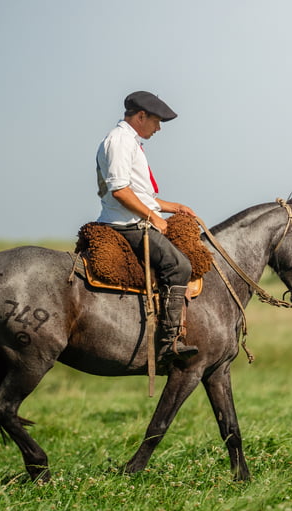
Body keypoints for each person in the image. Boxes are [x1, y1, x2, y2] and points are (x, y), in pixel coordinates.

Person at [95, 91, 198, 364]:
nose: (159, 127)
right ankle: (170, 341)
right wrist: (154, 218)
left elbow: (140, 194)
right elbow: (120, 191)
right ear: (141, 116)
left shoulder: (130, 141)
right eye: (156, 121)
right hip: (128, 225)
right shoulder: (119, 142)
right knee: (180, 266)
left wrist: (171, 207)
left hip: (135, 217)